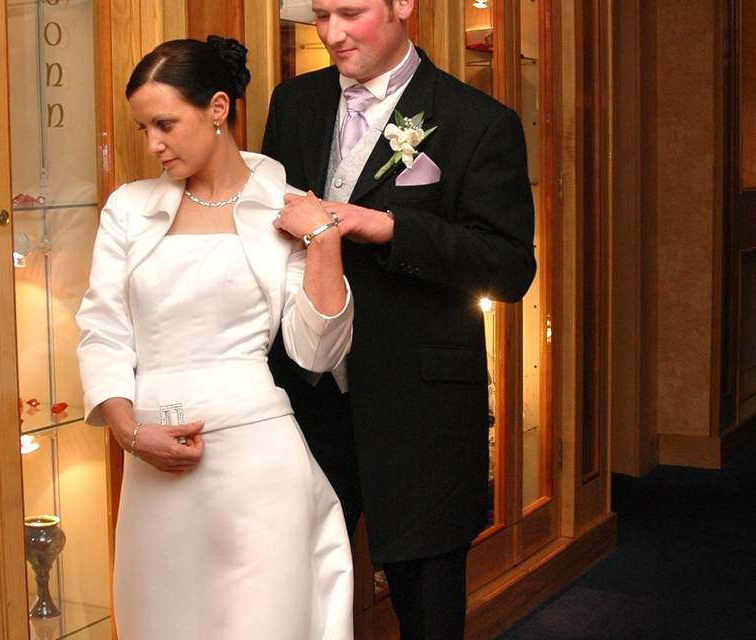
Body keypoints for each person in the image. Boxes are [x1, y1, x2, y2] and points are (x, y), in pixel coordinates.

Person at [262, 1, 537, 638]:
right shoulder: (293, 104)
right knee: (293, 596)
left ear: (403, 5)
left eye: (350, 13)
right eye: (320, 15)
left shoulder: (479, 122)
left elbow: (508, 267)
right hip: (305, 395)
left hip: (421, 407)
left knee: (428, 609)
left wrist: (388, 226)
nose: (331, 34)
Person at [76, 36, 355, 640]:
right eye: (143, 128)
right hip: (153, 463)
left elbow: (317, 351)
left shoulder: (281, 206)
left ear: (219, 109)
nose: (153, 144)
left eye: (166, 124)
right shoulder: (129, 207)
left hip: (257, 465)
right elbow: (102, 328)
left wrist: (324, 241)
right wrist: (128, 432)